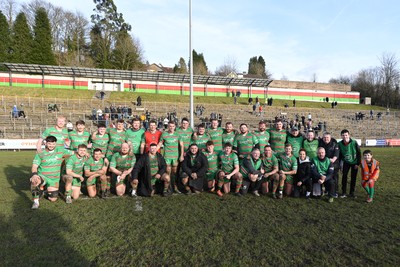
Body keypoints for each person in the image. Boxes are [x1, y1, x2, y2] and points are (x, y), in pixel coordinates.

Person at [30, 136, 74, 209]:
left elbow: (73, 152)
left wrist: (85, 153)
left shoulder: (60, 151)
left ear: (55, 143)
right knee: (34, 181)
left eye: (53, 144)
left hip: (54, 179)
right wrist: (34, 175)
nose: (51, 145)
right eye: (49, 143)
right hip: (43, 176)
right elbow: (34, 166)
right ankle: (35, 202)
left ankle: (44, 191)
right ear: (46, 143)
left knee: (53, 199)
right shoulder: (40, 153)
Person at [157, 121, 184, 194]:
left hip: (175, 157)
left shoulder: (177, 134)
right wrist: (153, 151)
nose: (171, 127)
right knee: (168, 172)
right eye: (170, 126)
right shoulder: (164, 134)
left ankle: (175, 187)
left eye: (173, 126)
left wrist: (181, 155)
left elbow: (181, 145)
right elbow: (160, 144)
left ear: (175, 127)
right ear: (168, 126)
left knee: (174, 174)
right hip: (167, 157)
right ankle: (167, 188)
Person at [338, 129, 361, 198]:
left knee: (353, 178)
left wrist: (358, 163)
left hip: (354, 163)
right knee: (344, 177)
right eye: (343, 135)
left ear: (349, 135)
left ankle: (352, 193)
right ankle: (344, 192)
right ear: (341, 136)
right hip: (345, 162)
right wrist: (340, 164)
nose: (345, 137)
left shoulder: (354, 142)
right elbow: (339, 155)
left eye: (346, 135)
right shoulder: (339, 144)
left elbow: (359, 153)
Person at [318, 132, 340, 197]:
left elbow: (336, 154)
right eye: (324, 137)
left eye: (327, 137)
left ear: (330, 138)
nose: (326, 139)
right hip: (324, 163)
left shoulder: (334, 144)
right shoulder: (320, 143)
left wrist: (332, 160)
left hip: (334, 163)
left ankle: (335, 191)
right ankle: (326, 190)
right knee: (325, 176)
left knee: (334, 177)